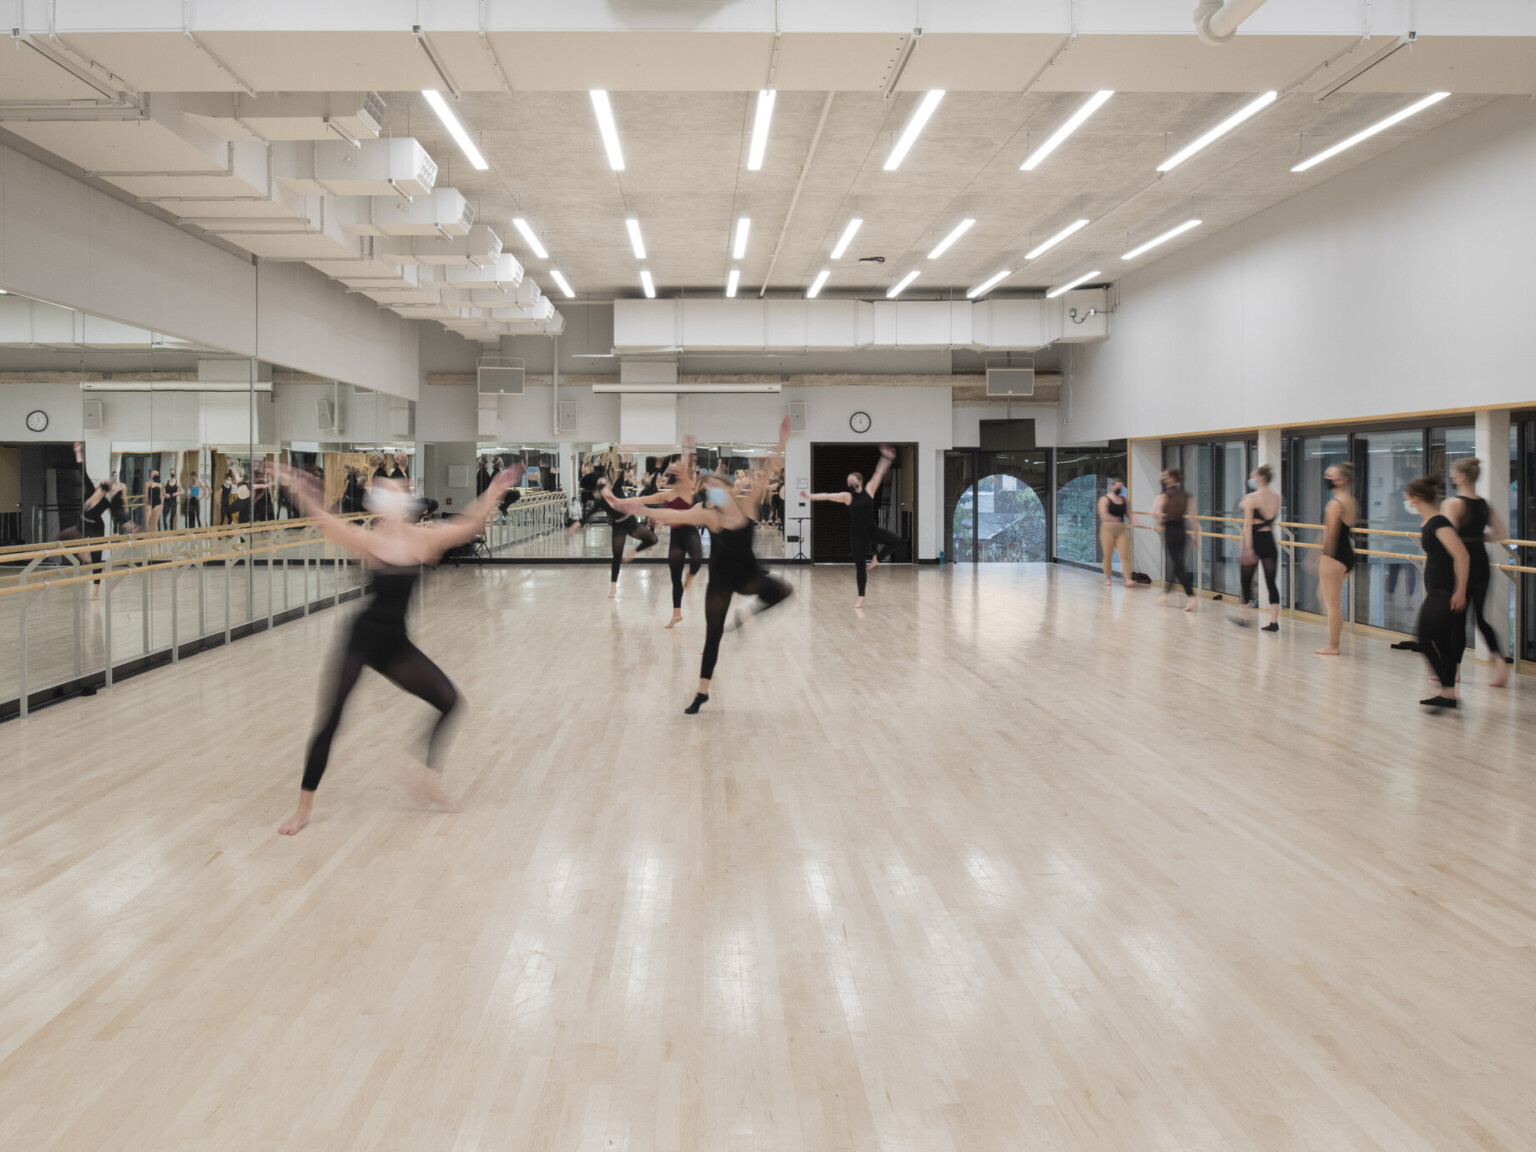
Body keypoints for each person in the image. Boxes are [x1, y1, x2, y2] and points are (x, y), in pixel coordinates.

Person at [273, 462, 523, 836]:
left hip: (395, 644)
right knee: (331, 720)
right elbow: (326, 520)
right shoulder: (369, 540)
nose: (397, 494)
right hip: (361, 639)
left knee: (450, 701)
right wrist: (297, 485)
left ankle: (426, 782)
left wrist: (495, 490)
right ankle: (303, 808)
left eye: (401, 489)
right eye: (391, 490)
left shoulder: (425, 538)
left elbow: (469, 525)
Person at [615, 416, 794, 714]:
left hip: (748, 575)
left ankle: (748, 615)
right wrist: (641, 507)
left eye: (711, 485)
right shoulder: (706, 515)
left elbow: (770, 469)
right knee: (713, 636)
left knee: (783, 590)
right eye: (705, 489)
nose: (708, 490)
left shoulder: (747, 505)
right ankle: (702, 692)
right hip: (721, 581)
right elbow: (675, 517)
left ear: (724, 486)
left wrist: (783, 440)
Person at [800, 445, 908, 608]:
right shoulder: (847, 496)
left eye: (852, 479)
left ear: (860, 480)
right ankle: (861, 597)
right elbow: (828, 496)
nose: (850, 482)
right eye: (848, 480)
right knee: (860, 567)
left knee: (897, 540)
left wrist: (887, 458)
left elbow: (879, 473)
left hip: (872, 530)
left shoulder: (870, 490)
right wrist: (809, 496)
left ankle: (877, 559)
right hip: (857, 535)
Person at [1442, 457, 1510, 687]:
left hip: (1461, 561)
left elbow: (1447, 536)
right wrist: (1479, 537)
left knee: (1457, 619)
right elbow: (1501, 533)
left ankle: (1455, 672)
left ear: (1461, 476)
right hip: (1481, 559)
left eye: (1453, 473)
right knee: (1480, 617)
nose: (1451, 477)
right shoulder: (1484, 504)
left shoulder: (1453, 504)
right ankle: (1500, 661)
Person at [1405, 476, 1470, 711]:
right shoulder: (1430, 522)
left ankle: (1447, 690)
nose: (1408, 503)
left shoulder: (1439, 523)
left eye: (1409, 499)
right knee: (1442, 642)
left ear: (1418, 498)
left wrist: (1460, 591)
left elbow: (1462, 555)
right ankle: (1449, 694)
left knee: (1424, 638)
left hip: (1444, 590)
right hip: (1438, 588)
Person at [630, 447, 704, 628]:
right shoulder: (667, 494)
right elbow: (647, 500)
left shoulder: (688, 490)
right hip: (676, 537)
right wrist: (623, 502)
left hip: (690, 532)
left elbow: (686, 473)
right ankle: (676, 613)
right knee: (675, 577)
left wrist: (686, 452)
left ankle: (692, 576)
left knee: (697, 559)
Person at [1313, 461, 1358, 655]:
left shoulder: (1335, 504)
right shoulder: (1351, 501)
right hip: (1346, 553)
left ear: (1343, 480)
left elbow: (1331, 535)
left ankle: (1334, 645)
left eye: (1332, 476)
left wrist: (1322, 557)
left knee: (1332, 604)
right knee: (1326, 598)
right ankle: (1334, 641)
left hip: (1334, 555)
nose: (1328, 480)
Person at [1232, 464, 1282, 631]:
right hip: (1269, 541)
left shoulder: (1251, 498)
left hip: (1254, 540)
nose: (1251, 480)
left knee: (1245, 581)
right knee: (1271, 582)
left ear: (1260, 478)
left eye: (1253, 477)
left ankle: (1244, 617)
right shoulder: (1276, 497)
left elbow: (1247, 525)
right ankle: (1274, 621)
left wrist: (1248, 548)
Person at [594, 476, 659, 598]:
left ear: (608, 485)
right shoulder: (601, 501)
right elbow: (589, 514)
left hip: (630, 522)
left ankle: (634, 551)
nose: (603, 488)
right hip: (618, 527)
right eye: (600, 487)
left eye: (603, 485)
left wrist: (625, 465)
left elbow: (622, 473)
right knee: (617, 557)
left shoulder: (617, 490)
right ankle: (613, 587)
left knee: (653, 539)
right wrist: (576, 524)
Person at [1152, 467, 1200, 610]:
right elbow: (1192, 517)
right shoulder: (1186, 495)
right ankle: (1166, 594)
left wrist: (1160, 520)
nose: (1164, 479)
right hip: (1182, 530)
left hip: (1171, 531)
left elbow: (1154, 512)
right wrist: (1196, 535)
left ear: (1171, 479)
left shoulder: (1163, 496)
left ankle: (1191, 597)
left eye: (1166, 477)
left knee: (1178, 565)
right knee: (1176, 562)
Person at [1097, 475, 1140, 588]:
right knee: (1108, 555)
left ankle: (1127, 579)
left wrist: (1134, 518)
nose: (1119, 489)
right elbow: (1103, 514)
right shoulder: (1104, 499)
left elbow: (1128, 513)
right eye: (1117, 486)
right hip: (1107, 530)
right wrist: (1113, 518)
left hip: (1121, 530)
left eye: (1121, 487)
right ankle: (1108, 578)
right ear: (1112, 486)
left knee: (1124, 555)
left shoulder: (1124, 500)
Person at [144, 470, 164, 534]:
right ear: (150, 475)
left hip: (157, 504)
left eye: (156, 474)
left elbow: (161, 496)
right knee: (147, 521)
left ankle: (155, 538)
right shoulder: (147, 484)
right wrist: (146, 505)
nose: (155, 475)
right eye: (154, 473)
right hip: (150, 503)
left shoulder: (159, 485)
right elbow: (146, 496)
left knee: (154, 522)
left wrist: (162, 506)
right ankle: (149, 536)